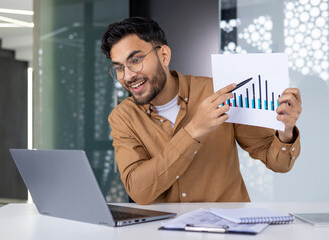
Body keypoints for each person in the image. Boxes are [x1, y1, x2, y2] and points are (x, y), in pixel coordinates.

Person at [101, 17, 301, 205]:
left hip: (228, 231)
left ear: (164, 55)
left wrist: (285, 132)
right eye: (119, 68)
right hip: (165, 231)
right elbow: (139, 192)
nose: (128, 76)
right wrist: (193, 130)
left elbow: (278, 163)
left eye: (136, 60)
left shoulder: (218, 93)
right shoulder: (123, 118)